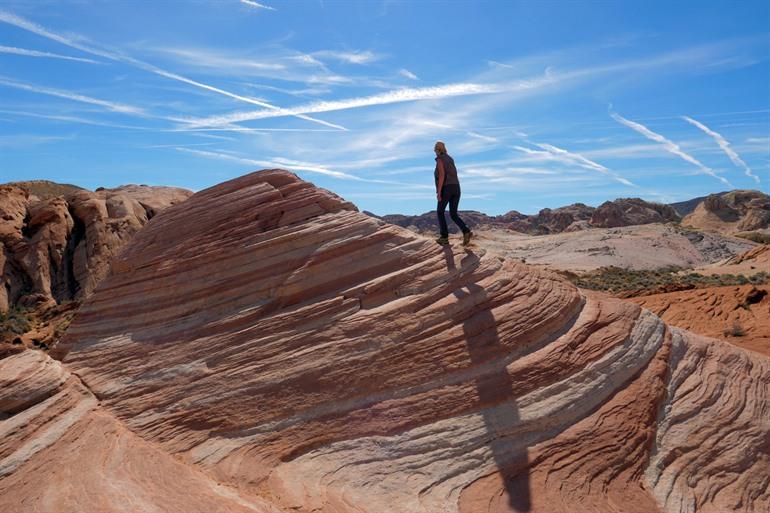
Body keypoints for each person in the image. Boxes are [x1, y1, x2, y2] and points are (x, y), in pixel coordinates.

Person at [433, 141, 472, 246]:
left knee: (440, 211)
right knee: (453, 214)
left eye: (435, 150)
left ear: (437, 150)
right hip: (456, 188)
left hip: (447, 188)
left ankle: (444, 237)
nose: (435, 152)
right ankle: (466, 231)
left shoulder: (440, 159)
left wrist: (439, 192)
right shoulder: (450, 159)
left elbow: (442, 175)